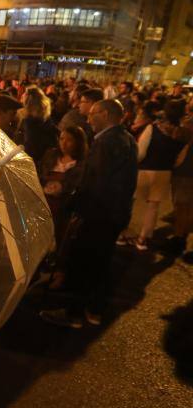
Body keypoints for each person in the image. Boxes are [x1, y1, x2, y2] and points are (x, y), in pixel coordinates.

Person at [41, 99, 138, 328]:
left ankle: (74, 313)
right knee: (100, 264)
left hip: (98, 214)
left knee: (84, 263)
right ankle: (93, 309)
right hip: (113, 214)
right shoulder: (127, 139)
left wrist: (77, 207)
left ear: (105, 114)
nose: (88, 118)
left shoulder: (106, 142)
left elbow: (96, 182)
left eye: (93, 113)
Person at [131, 99, 191, 250]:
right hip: (164, 172)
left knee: (131, 202)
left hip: (145, 169)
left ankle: (124, 233)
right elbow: (179, 159)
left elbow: (141, 152)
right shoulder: (183, 134)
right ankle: (143, 240)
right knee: (153, 207)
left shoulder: (154, 128)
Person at [39, 126, 87, 289]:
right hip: (45, 202)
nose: (64, 143)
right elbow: (40, 174)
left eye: (69, 140)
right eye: (61, 139)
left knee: (62, 239)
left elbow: (78, 184)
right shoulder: (51, 155)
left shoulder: (81, 163)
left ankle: (59, 273)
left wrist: (63, 188)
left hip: (65, 207)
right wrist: (46, 185)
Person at [20, 86, 59, 164]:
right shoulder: (47, 119)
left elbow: (29, 147)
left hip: (31, 162)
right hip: (43, 162)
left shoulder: (29, 123)